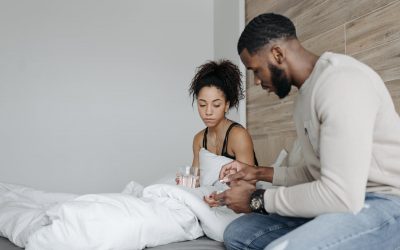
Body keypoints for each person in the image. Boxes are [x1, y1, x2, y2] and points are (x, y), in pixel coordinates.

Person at [214, 13, 400, 250]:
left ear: (278, 54)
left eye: (256, 70)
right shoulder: (304, 96)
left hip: (386, 202)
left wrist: (257, 200)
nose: (257, 82)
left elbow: (340, 195)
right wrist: (259, 173)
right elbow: (317, 172)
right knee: (239, 233)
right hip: (345, 200)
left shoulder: (341, 84)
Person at [184, 60, 258, 194]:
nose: (208, 112)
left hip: (239, 197)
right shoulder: (199, 140)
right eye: (202, 105)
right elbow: (196, 180)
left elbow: (248, 185)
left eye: (216, 105)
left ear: (227, 105)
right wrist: (186, 184)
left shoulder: (238, 136)